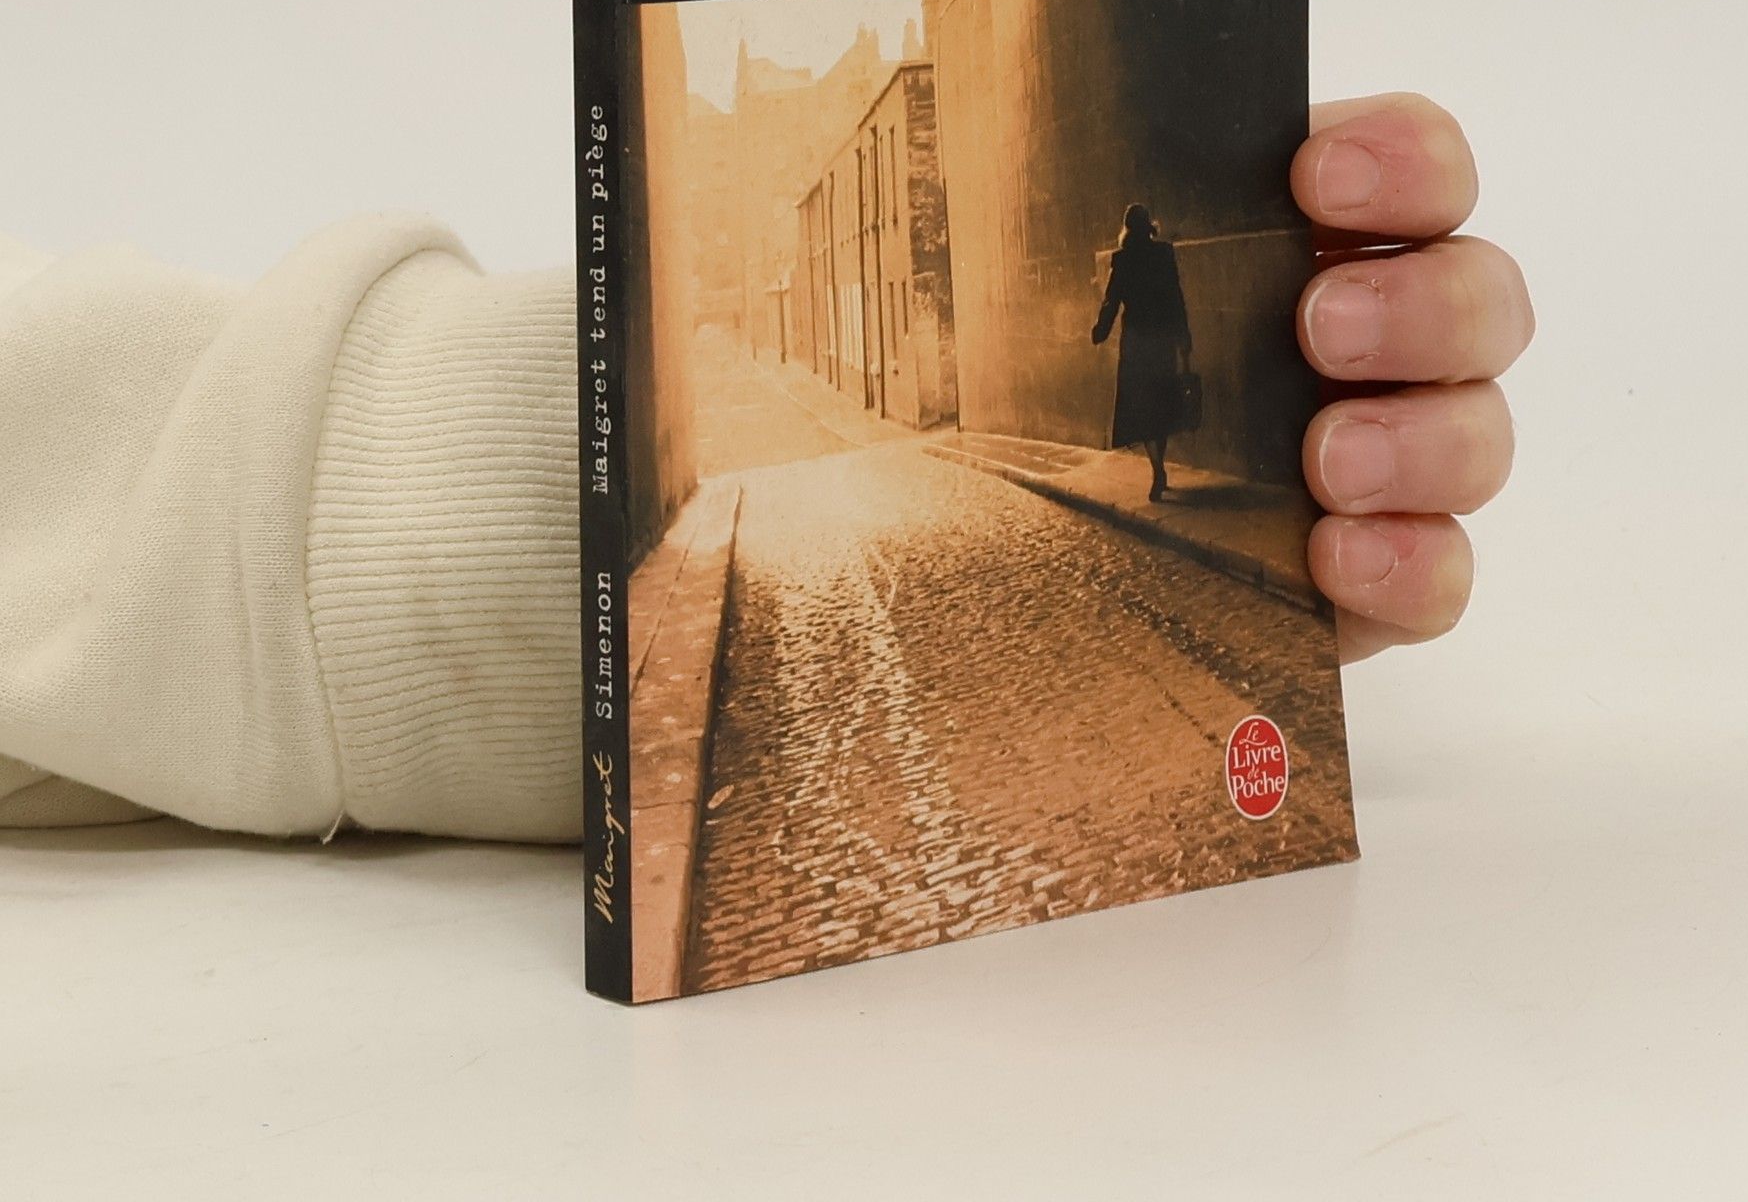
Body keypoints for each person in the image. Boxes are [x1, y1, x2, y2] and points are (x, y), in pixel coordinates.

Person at [0, 93, 1532, 841]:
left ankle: (1165, 472)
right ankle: (1164, 471)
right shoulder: (1145, 255)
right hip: (1156, 358)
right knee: (1153, 423)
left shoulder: (1141, 253)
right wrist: (471, 514)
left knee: (1152, 423)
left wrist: (488, 505)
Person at [1091, 201, 1191, 502]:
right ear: (1149, 226)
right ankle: (1160, 466)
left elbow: (1111, 300)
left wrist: (1100, 331)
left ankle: (1157, 468)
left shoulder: (1123, 260)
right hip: (1162, 339)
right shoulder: (1163, 254)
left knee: (1143, 406)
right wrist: (1184, 337)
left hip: (1136, 341)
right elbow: (1176, 298)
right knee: (1162, 402)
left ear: (1127, 229)